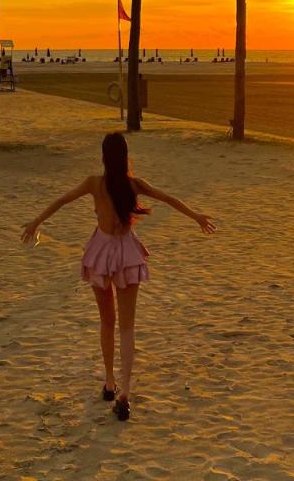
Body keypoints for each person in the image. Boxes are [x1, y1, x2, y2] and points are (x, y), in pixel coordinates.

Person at [20, 131, 215, 421]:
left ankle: (110, 382)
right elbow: (168, 198)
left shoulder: (94, 183)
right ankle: (123, 391)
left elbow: (62, 201)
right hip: (126, 252)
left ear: (103, 157)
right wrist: (196, 216)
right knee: (126, 327)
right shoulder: (133, 184)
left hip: (101, 250)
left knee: (107, 322)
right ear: (125, 157)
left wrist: (36, 222)